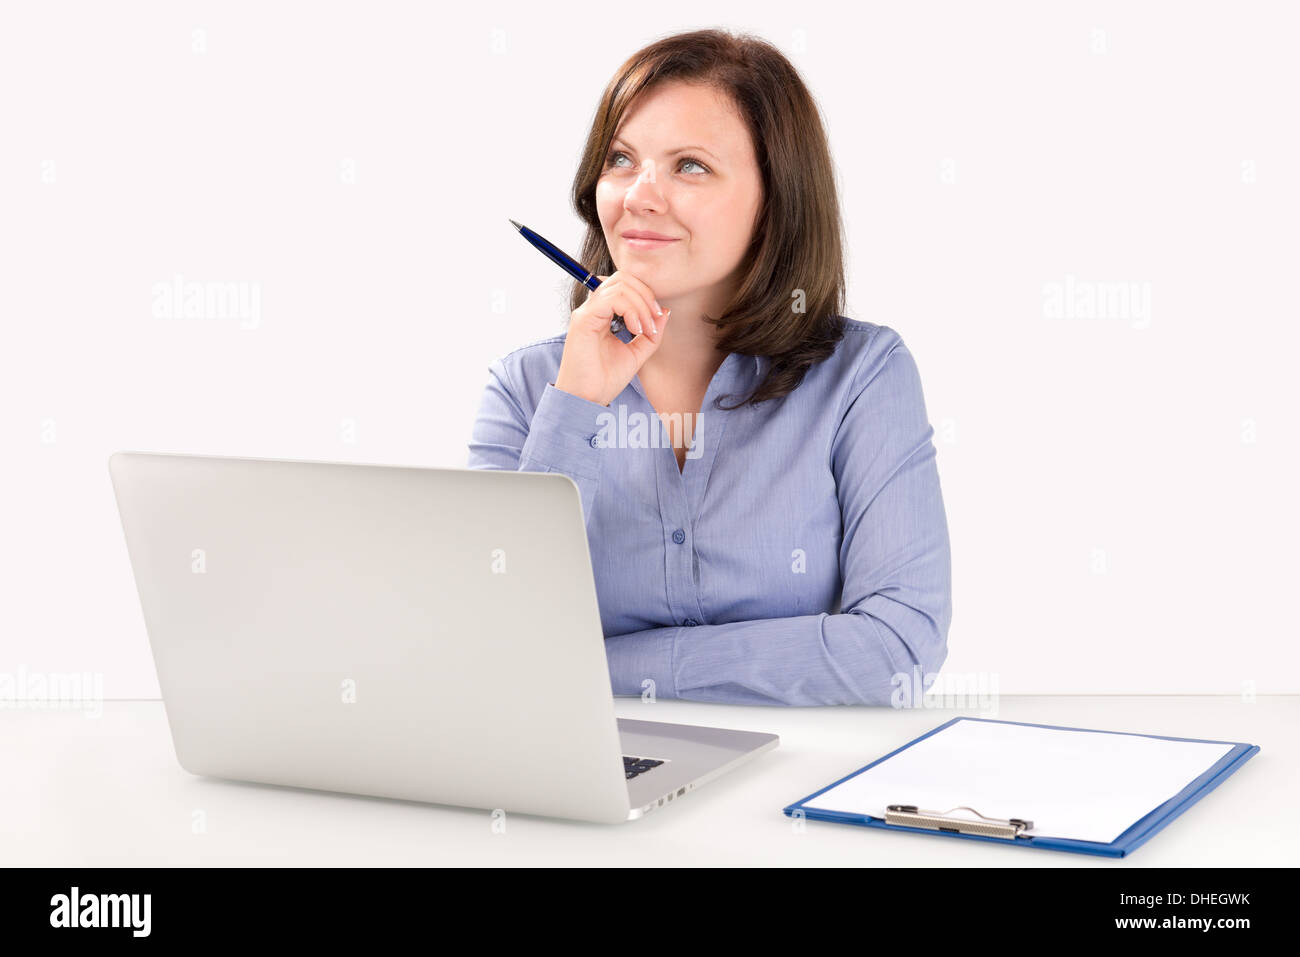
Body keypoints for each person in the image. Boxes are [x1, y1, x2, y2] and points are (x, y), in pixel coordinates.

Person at [468, 29, 951, 706]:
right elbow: (484, 638)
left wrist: (594, 668)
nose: (640, 196)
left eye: (689, 165)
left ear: (775, 198)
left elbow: (898, 649)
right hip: (586, 769)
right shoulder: (527, 390)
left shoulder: (865, 376)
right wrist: (574, 405)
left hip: (795, 777)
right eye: (621, 159)